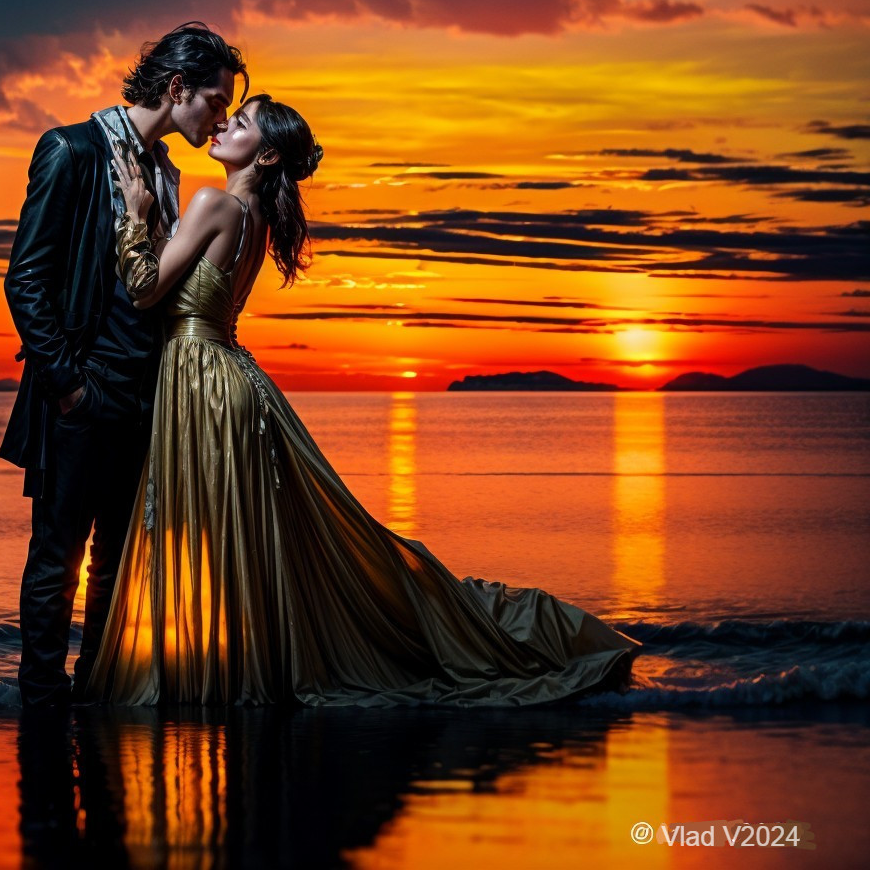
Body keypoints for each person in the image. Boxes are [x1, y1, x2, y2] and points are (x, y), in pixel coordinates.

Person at [79, 93, 643, 707]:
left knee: (209, 532)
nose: (222, 124)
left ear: (265, 153)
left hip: (199, 379)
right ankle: (225, 671)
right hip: (230, 379)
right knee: (237, 535)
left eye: (238, 123)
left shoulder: (213, 203)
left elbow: (141, 289)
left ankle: (200, 679)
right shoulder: (255, 218)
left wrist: (135, 212)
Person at [0, 23, 249, 708]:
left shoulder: (167, 171)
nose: (221, 117)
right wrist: (70, 387)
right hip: (83, 396)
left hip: (146, 399)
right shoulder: (70, 150)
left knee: (113, 564)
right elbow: (25, 280)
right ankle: (42, 705)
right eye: (216, 102)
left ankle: (96, 699)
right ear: (177, 89)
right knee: (56, 559)